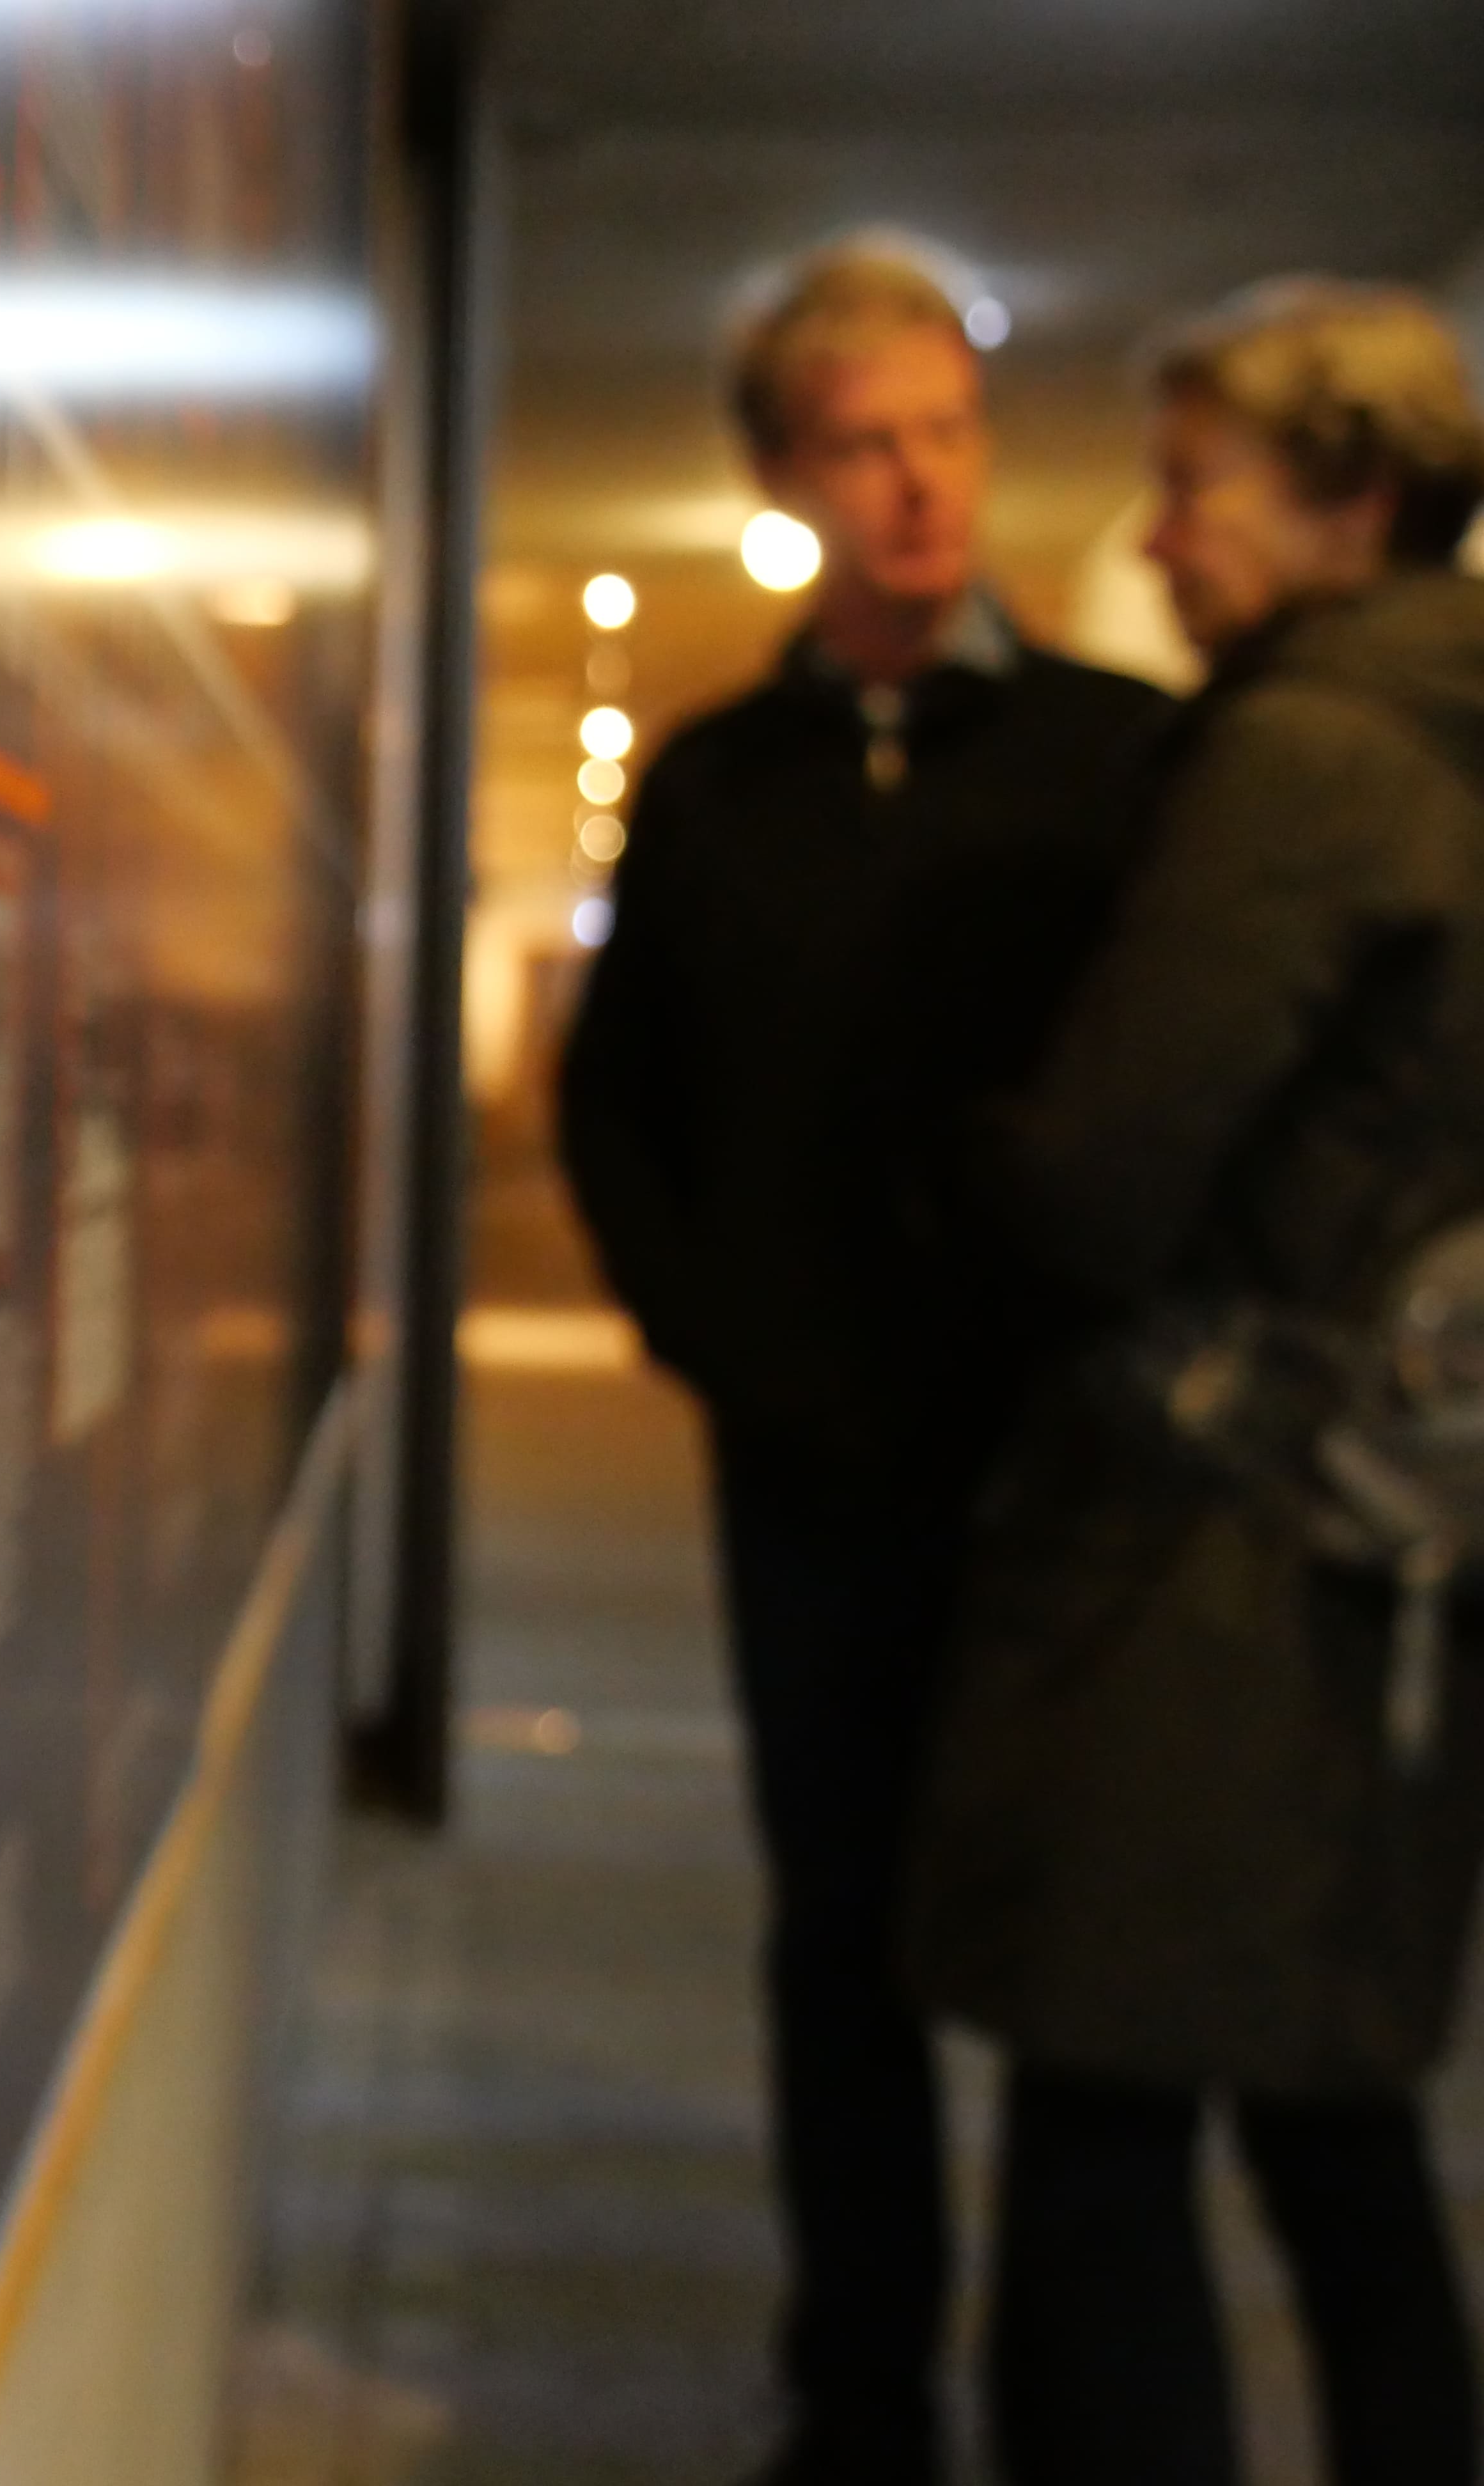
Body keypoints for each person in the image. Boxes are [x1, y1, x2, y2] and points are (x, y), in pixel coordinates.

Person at [558, 239, 1174, 2485]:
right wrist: (722, 1340)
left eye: (947, 431)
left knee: (1084, 1953)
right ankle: (863, 2404)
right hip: (813, 1476)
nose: (920, 482)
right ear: (787, 484)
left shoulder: (1119, 759)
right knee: (843, 1945)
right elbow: (619, 1104)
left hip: (1070, 1478)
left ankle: (1089, 2414)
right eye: (863, 445)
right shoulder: (724, 786)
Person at [907, 280, 1484, 2486]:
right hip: (1388, 1535)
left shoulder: (1311, 757)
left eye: (1196, 487)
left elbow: (1110, 1166)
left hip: (1208, 1543)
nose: (1157, 539)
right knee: (1335, 2122)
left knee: (1106, 2108)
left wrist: (963, 1165)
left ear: (1351, 497)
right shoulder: (1446, 731)